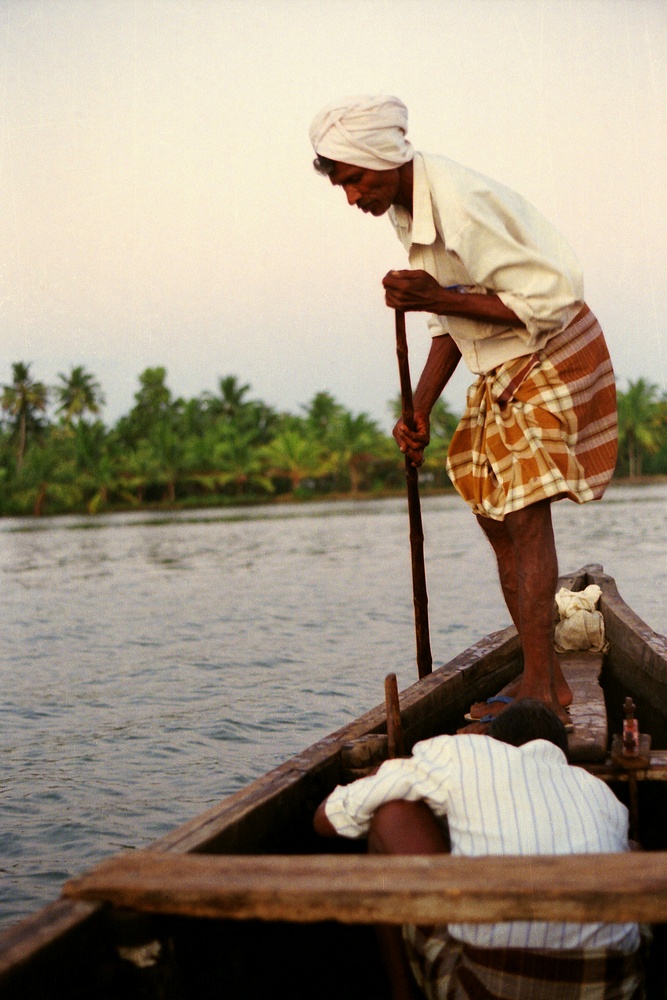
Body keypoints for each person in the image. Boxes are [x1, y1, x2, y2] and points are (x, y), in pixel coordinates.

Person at [309, 96, 618, 729]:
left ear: (384, 158)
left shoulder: (459, 202)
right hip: (502, 363)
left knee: (524, 516)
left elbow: (555, 299)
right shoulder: (408, 209)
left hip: (551, 351)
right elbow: (450, 320)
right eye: (343, 185)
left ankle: (538, 686)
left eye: (356, 179)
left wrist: (438, 295)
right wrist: (418, 410)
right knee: (494, 516)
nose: (351, 197)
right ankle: (547, 675)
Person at [313, 700, 643, 1000]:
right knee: (630, 849)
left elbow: (325, 819)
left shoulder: (466, 751)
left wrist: (381, 775)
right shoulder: (600, 793)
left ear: (491, 738)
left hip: (490, 986)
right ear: (562, 754)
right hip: (609, 986)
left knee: (391, 812)